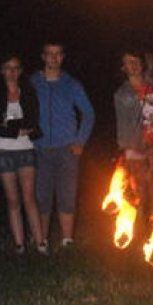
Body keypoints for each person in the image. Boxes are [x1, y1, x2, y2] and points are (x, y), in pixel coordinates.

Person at [30, 42, 95, 248]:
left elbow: (89, 113)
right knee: (41, 196)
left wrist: (79, 141)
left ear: (62, 57)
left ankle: (67, 241)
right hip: (39, 148)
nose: (54, 58)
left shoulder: (71, 84)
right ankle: (42, 240)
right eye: (50, 54)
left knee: (67, 194)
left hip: (66, 148)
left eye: (58, 54)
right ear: (43, 56)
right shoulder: (32, 82)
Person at [0, 53, 47, 254]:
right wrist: (12, 129)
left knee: (29, 197)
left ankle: (40, 243)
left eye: (16, 68)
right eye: (8, 68)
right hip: (4, 151)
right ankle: (19, 245)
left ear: (21, 71)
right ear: (2, 70)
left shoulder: (28, 93)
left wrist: (8, 126)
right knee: (13, 200)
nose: (12, 72)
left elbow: (32, 121)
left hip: (26, 150)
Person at [114, 50, 153, 223]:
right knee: (139, 188)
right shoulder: (122, 95)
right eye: (129, 62)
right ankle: (139, 226)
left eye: (136, 61)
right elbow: (122, 124)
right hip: (134, 145)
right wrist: (126, 150)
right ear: (123, 67)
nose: (133, 66)